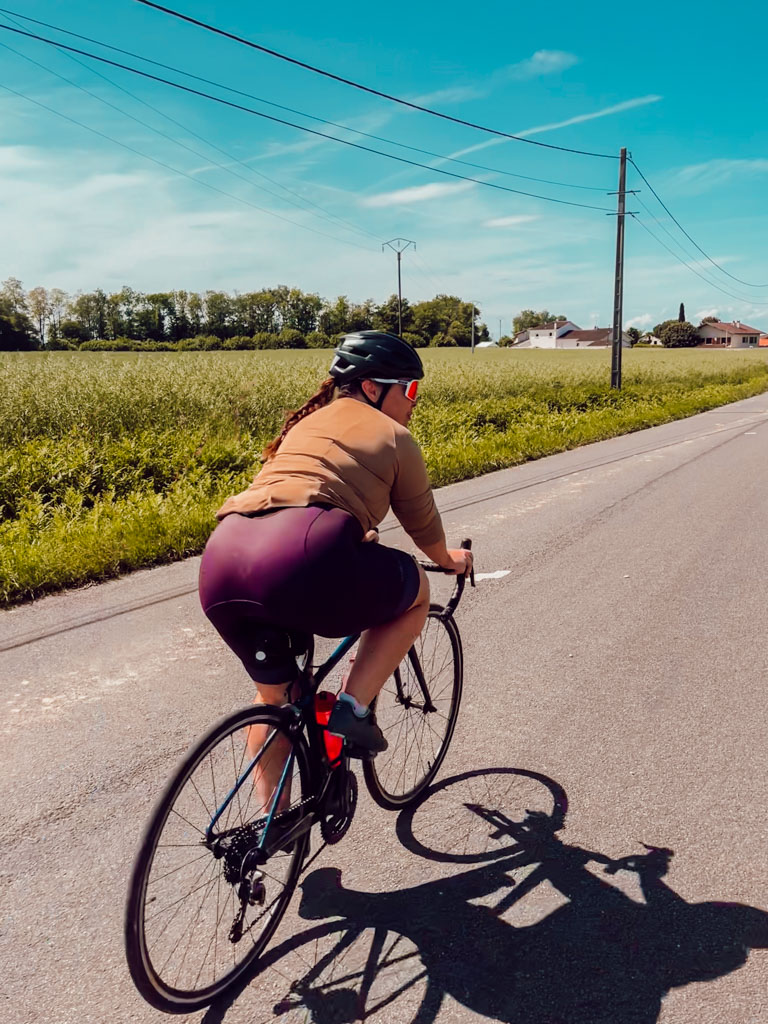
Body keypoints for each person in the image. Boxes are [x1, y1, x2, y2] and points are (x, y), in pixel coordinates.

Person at [198, 331, 472, 803]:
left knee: (275, 698)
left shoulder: (306, 425)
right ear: (372, 388)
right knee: (418, 589)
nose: (413, 403)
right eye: (409, 390)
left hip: (222, 562)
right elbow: (422, 525)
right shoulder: (394, 435)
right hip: (304, 559)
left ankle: (273, 825)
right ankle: (352, 707)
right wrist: (450, 559)